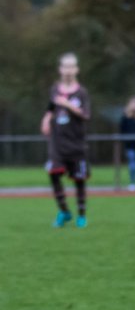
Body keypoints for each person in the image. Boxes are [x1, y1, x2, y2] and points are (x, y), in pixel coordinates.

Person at [42, 52, 91, 228]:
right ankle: (64, 211)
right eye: (65, 66)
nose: (68, 70)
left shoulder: (82, 92)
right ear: (60, 69)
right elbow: (51, 106)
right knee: (54, 174)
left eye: (71, 66)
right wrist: (46, 119)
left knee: (79, 180)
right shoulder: (55, 89)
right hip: (57, 143)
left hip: (76, 144)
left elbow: (86, 115)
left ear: (76, 69)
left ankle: (82, 215)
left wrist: (68, 105)